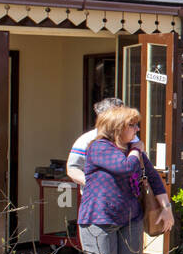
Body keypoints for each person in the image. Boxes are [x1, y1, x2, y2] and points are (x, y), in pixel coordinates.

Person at [74, 105, 170, 254]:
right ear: (117, 127)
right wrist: (137, 151)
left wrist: (166, 208)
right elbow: (123, 167)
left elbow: (155, 180)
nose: (137, 129)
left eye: (137, 124)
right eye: (132, 125)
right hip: (98, 218)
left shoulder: (133, 150)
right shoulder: (98, 147)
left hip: (130, 218)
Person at [68, 96, 173, 229]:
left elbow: (149, 173)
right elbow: (72, 168)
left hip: (130, 212)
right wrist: (95, 185)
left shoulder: (131, 140)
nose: (135, 128)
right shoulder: (91, 142)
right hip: (101, 212)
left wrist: (166, 206)